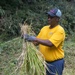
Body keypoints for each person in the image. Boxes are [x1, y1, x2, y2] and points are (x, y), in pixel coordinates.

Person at [24, 8, 65, 75]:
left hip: (55, 63)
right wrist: (28, 39)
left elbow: (50, 43)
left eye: (51, 17)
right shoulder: (44, 28)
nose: (49, 18)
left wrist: (35, 39)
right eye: (48, 16)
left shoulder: (60, 30)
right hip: (44, 63)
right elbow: (36, 42)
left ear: (57, 19)